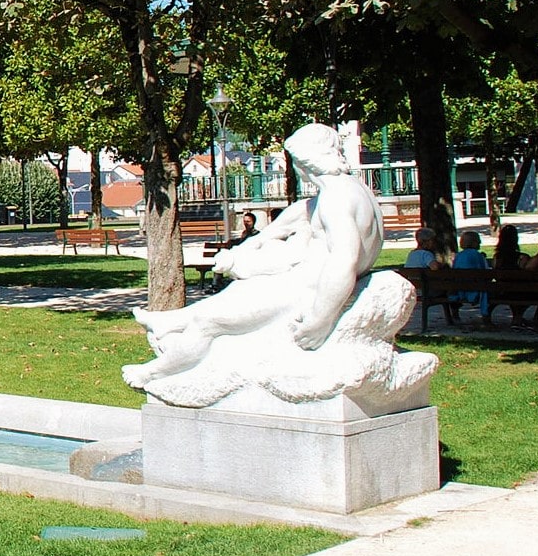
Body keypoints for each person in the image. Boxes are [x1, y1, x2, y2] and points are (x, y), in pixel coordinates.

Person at [123, 123, 383, 387]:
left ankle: (154, 374)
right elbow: (301, 223)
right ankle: (170, 321)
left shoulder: (335, 200)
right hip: (297, 282)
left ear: (305, 160)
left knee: (207, 323)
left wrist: (321, 318)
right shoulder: (356, 192)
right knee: (235, 294)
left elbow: (344, 259)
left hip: (301, 292)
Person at [451, 229, 490, 320]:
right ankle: (486, 316)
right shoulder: (478, 255)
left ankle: (455, 313)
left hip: (460, 290)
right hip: (476, 290)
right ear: (475, 243)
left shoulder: (458, 256)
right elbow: (486, 272)